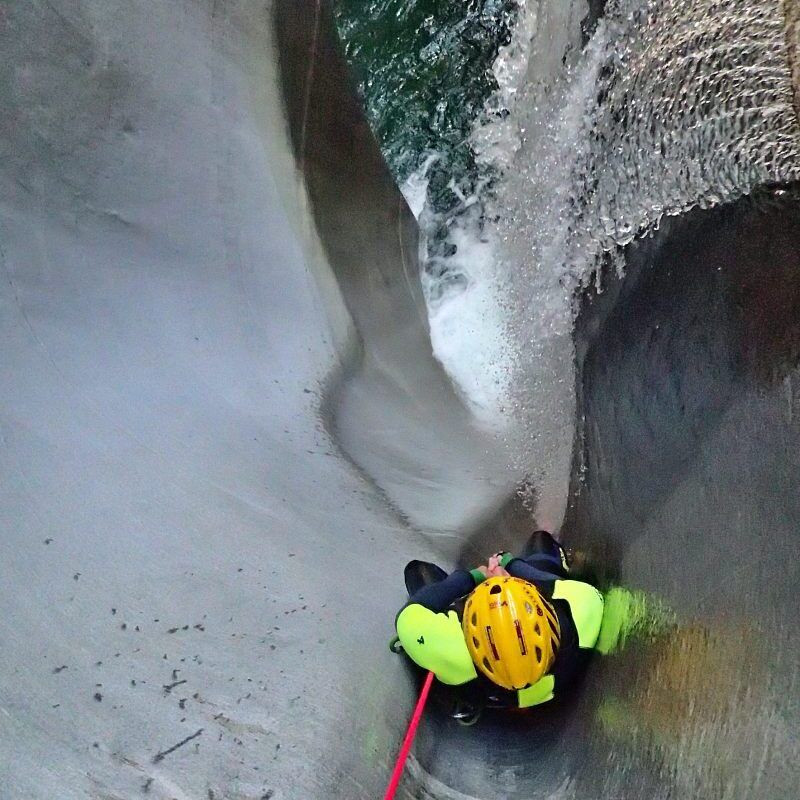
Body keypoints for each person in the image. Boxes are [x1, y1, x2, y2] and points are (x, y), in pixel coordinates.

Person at [392, 531, 604, 718]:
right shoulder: (581, 609)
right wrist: (510, 564)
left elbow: (413, 611)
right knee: (540, 542)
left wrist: (474, 576)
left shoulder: (451, 648)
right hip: (550, 686)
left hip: (487, 696)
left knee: (418, 572)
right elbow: (548, 581)